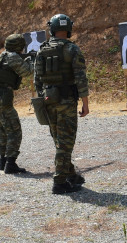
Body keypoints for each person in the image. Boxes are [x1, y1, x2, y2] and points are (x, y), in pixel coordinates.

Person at [34, 13, 90, 194]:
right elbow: (81, 79)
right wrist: (85, 103)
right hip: (67, 102)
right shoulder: (72, 49)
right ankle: (59, 182)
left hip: (49, 101)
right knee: (65, 142)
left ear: (52, 28)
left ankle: (71, 174)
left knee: (60, 140)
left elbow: (37, 80)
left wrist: (45, 97)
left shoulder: (42, 50)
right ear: (68, 29)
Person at [0, 33, 34, 174]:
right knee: (14, 131)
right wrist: (33, 61)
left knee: (4, 130)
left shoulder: (1, 56)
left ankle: (3, 162)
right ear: (19, 46)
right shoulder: (13, 57)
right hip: (1, 98)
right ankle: (11, 163)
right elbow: (28, 72)